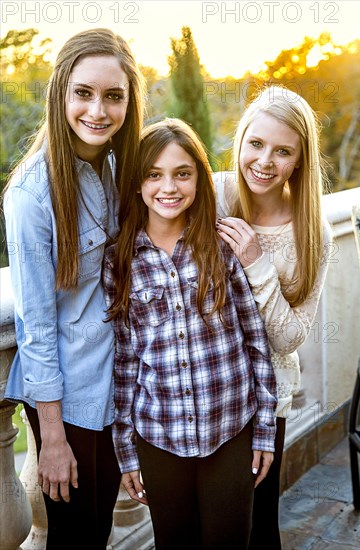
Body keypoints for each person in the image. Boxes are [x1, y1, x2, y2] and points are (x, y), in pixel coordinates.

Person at [103, 118, 277, 549]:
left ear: (199, 177)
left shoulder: (220, 247)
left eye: (182, 173)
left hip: (231, 430)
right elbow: (124, 362)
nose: (169, 187)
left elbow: (257, 341)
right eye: (154, 174)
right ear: (138, 184)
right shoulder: (122, 260)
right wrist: (126, 450)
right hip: (159, 436)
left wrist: (265, 430)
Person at [2, 28, 145, 549]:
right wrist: (53, 438)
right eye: (83, 93)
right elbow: (35, 326)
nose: (98, 110)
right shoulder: (31, 195)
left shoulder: (115, 167)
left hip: (118, 388)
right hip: (71, 402)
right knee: (74, 538)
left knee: (98, 530)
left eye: (113, 96)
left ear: (131, 99)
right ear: (60, 92)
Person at [213, 85, 333, 549]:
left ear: (299, 160)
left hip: (266, 398)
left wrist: (256, 262)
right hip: (207, 388)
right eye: (256, 144)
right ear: (241, 141)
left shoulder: (310, 232)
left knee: (258, 525)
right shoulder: (216, 194)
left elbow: (288, 339)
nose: (265, 161)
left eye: (283, 151)